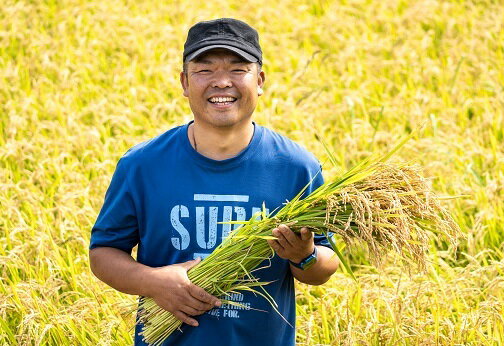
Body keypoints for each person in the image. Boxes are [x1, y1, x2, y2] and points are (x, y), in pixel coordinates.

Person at [89, 18, 339, 346]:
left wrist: (303, 255)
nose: (221, 82)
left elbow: (325, 263)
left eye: (238, 69)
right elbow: (103, 253)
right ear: (184, 82)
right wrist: (153, 282)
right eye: (204, 70)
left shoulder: (296, 167)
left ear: (260, 80)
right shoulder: (143, 165)